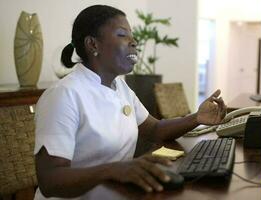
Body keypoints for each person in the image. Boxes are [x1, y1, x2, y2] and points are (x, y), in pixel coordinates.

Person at [34, 5, 227, 199]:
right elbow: (50, 180)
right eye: (122, 35)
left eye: (132, 36)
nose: (133, 42)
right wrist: (112, 170)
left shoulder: (120, 87)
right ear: (93, 44)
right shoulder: (63, 95)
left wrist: (197, 118)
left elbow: (155, 129)